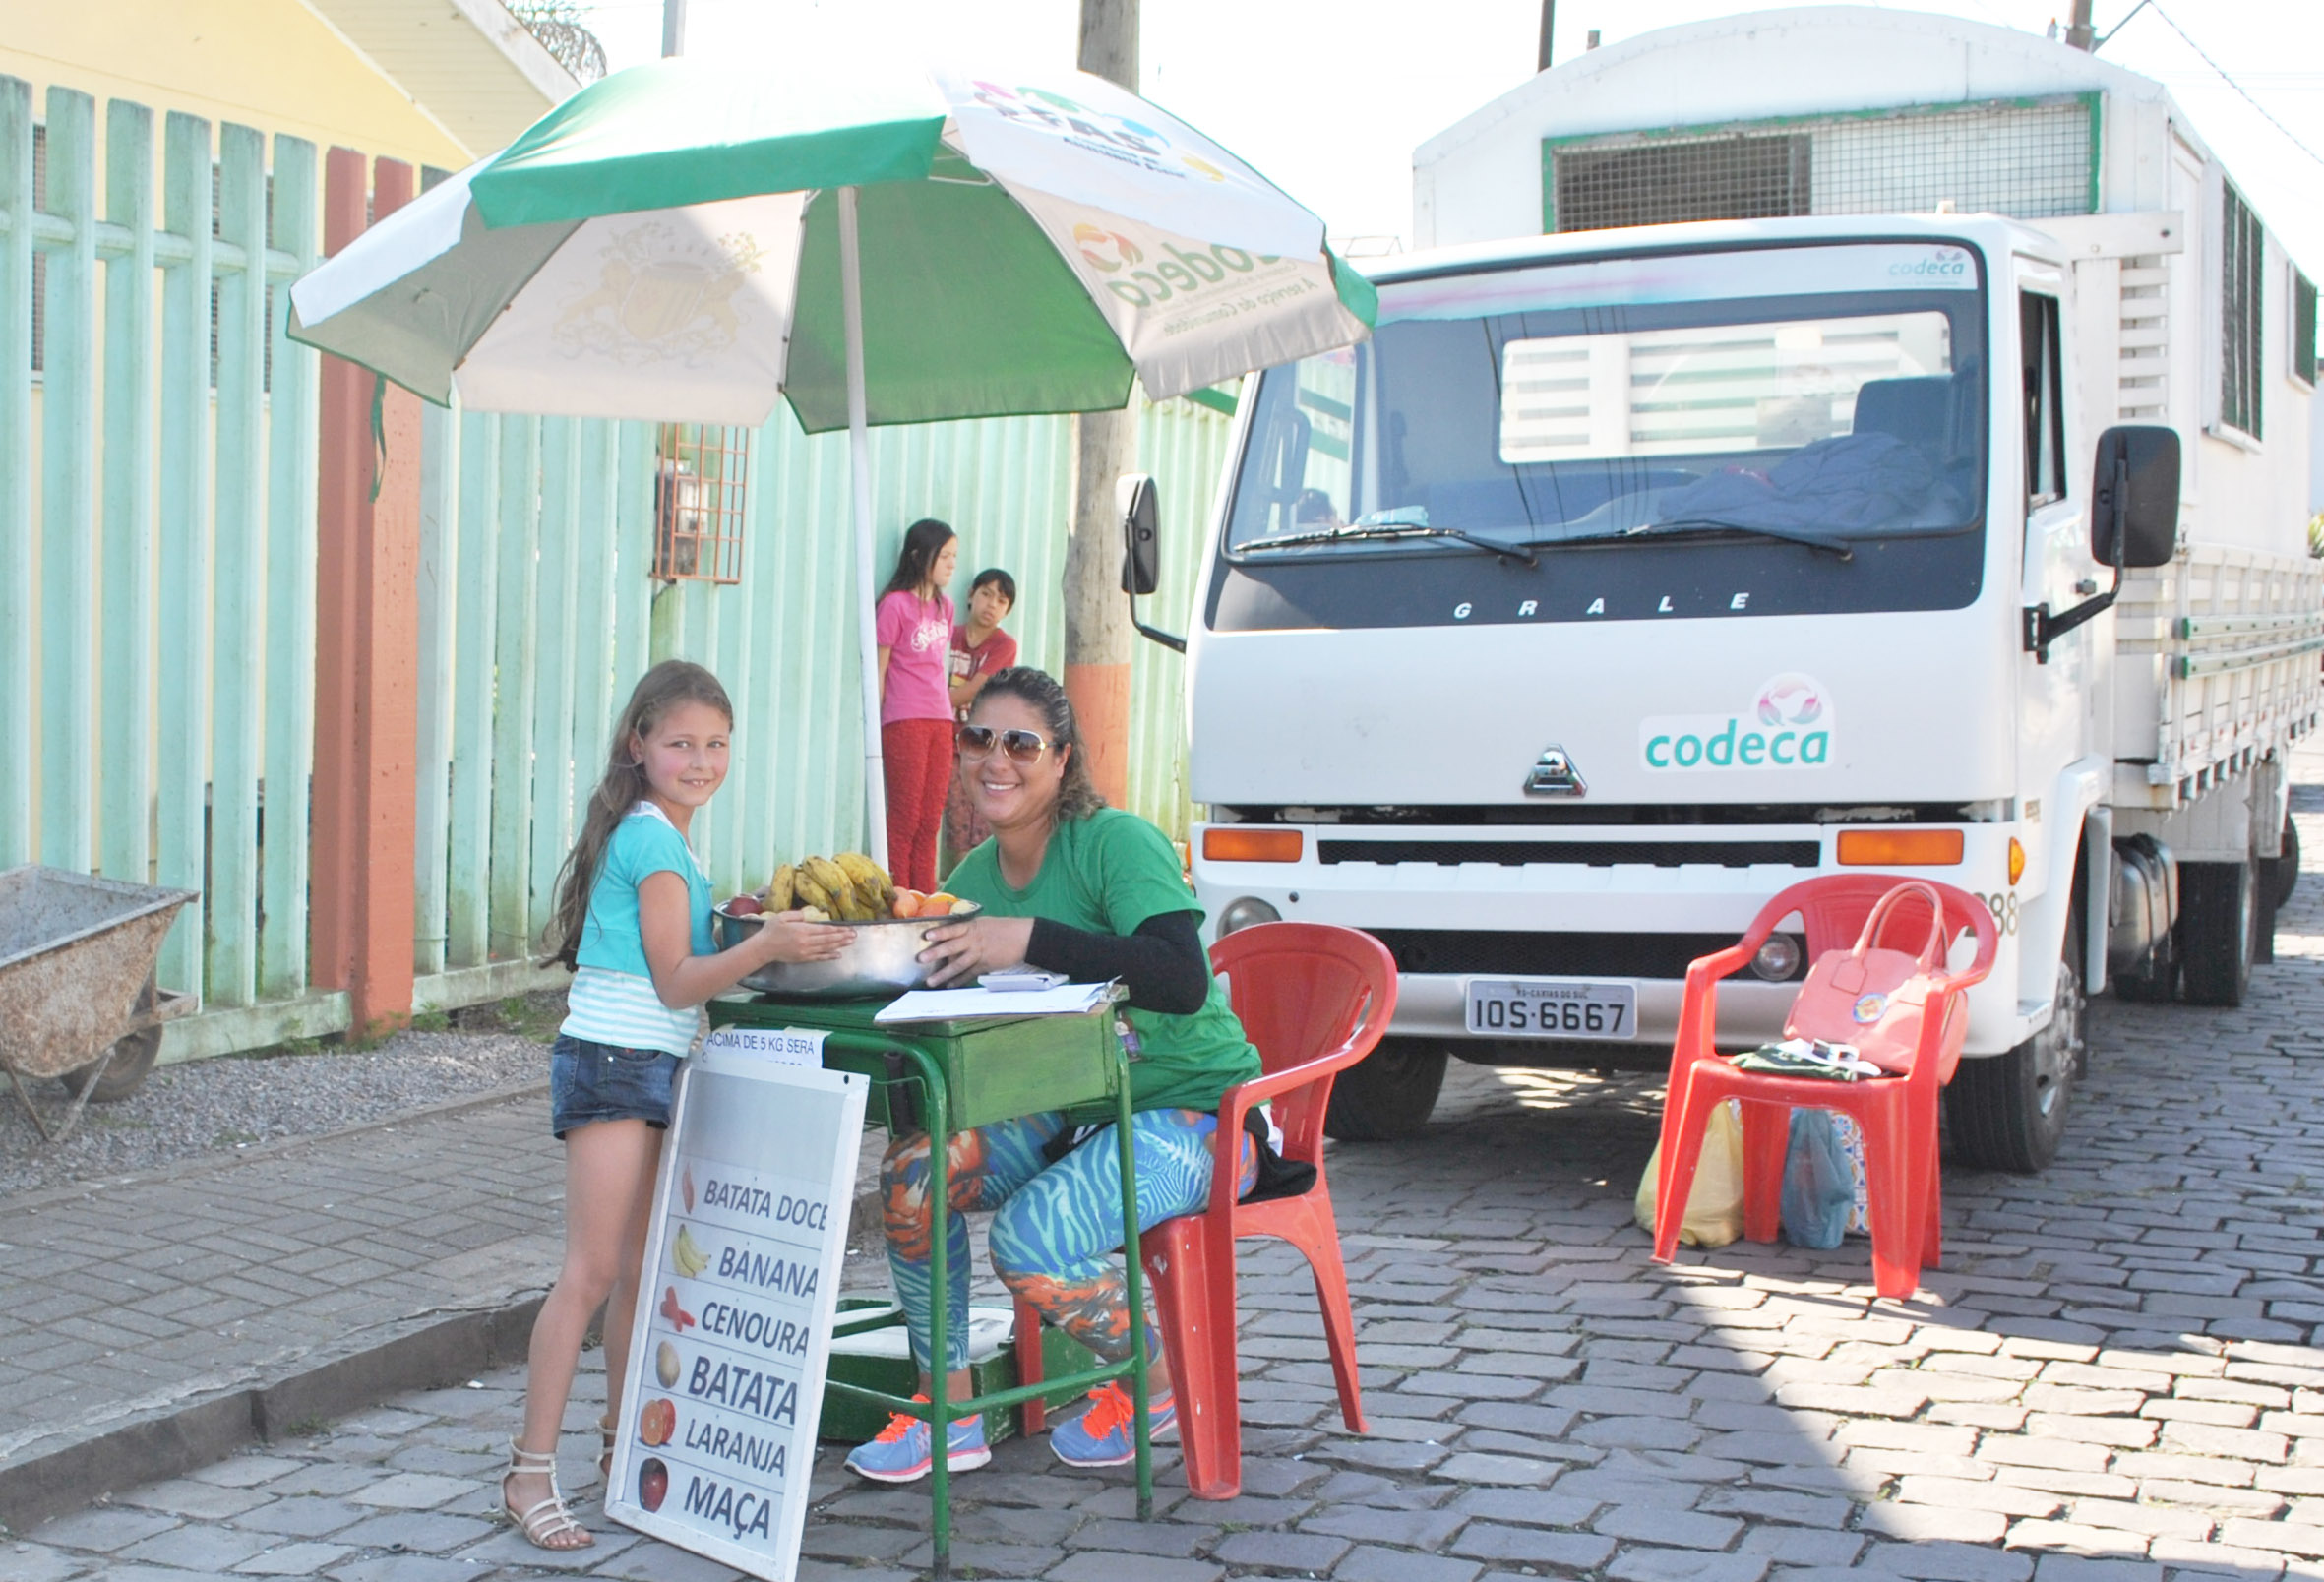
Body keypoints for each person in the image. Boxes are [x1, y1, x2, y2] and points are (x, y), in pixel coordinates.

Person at [843, 666, 1262, 1484]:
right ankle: (948, 1412)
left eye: (1021, 743)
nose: (995, 760)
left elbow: (1179, 978)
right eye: (977, 738)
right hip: (1072, 1111)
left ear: (1061, 760)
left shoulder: (1116, 842)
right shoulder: (969, 882)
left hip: (1198, 1113)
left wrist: (1029, 937)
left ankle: (1157, 1378)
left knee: (1031, 1234)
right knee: (914, 1176)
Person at [502, 660, 851, 1552]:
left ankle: (624, 1446)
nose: (701, 761)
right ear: (639, 746)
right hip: (616, 1061)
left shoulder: (668, 839)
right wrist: (768, 941)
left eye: (717, 745)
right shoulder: (653, 842)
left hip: (652, 1063)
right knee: (588, 1274)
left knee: (639, 1272)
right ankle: (528, 1473)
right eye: (682, 744)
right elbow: (673, 982)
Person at [876, 517, 959, 894]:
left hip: (941, 719)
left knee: (930, 819)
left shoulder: (947, 608)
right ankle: (899, 896)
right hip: (904, 719)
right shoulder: (894, 606)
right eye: (944, 556)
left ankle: (924, 899)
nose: (951, 564)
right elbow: (879, 670)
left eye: (954, 557)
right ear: (918, 555)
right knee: (906, 816)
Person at [941, 568, 1019, 871]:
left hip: (980, 743)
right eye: (986, 594)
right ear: (971, 595)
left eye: (1001, 601)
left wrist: (926, 703)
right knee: (957, 818)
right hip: (945, 738)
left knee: (983, 820)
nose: (991, 605)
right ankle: (959, 888)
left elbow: (977, 689)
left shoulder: (1003, 646)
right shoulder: (949, 635)